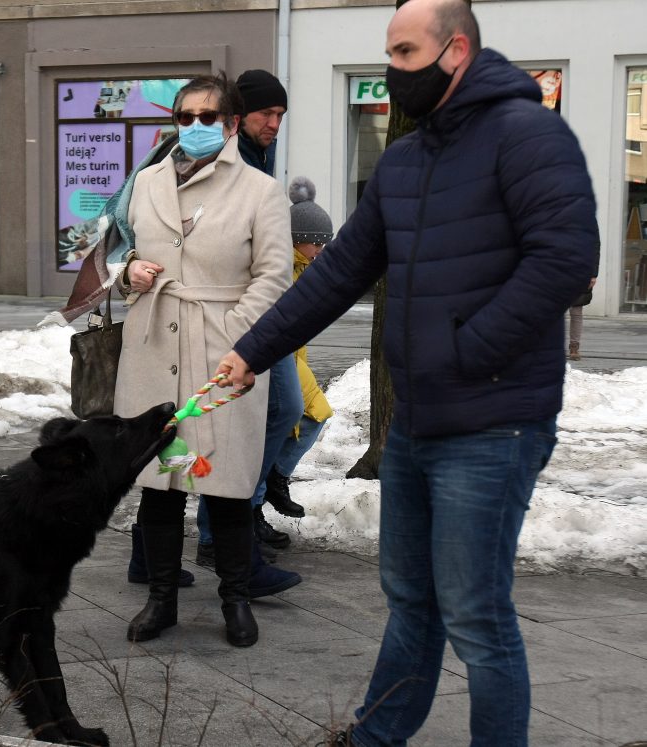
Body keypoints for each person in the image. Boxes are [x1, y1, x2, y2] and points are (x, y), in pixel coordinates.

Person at [217, 1, 598, 743]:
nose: (392, 70)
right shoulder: (405, 160)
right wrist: (252, 351)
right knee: (411, 599)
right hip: (420, 421)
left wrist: (465, 350)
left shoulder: (528, 135)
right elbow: (335, 277)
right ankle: (376, 734)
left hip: (494, 418)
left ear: (456, 52)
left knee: (476, 612)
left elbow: (566, 260)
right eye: (388, 54)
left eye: (404, 52)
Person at [114, 72, 291, 648]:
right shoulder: (146, 183)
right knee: (161, 483)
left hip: (225, 355)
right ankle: (161, 598)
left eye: (206, 117)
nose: (193, 126)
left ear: (232, 123)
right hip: (154, 347)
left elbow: (273, 276)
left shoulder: (260, 191)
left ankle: (235, 600)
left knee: (228, 483)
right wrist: (129, 272)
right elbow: (122, 250)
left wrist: (238, 338)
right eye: (184, 117)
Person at [195, 69, 303, 598]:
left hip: (261, 315)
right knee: (224, 420)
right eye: (268, 114)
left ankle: (238, 512)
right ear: (239, 118)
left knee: (283, 408)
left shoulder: (261, 164)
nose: (275, 124)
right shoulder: (205, 158)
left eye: (282, 116)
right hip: (226, 319)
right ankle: (220, 531)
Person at [264, 176, 335, 508]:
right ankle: (273, 482)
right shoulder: (284, 267)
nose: (320, 249)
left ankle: (274, 480)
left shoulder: (305, 267)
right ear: (297, 239)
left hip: (293, 357)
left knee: (309, 414)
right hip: (281, 358)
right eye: (316, 242)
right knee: (307, 413)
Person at [567, 241, 600, 360]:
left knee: (576, 311)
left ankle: (574, 347)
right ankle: (550, 348)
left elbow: (595, 248)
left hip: (580, 271)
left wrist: (593, 274)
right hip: (557, 269)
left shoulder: (588, 222)